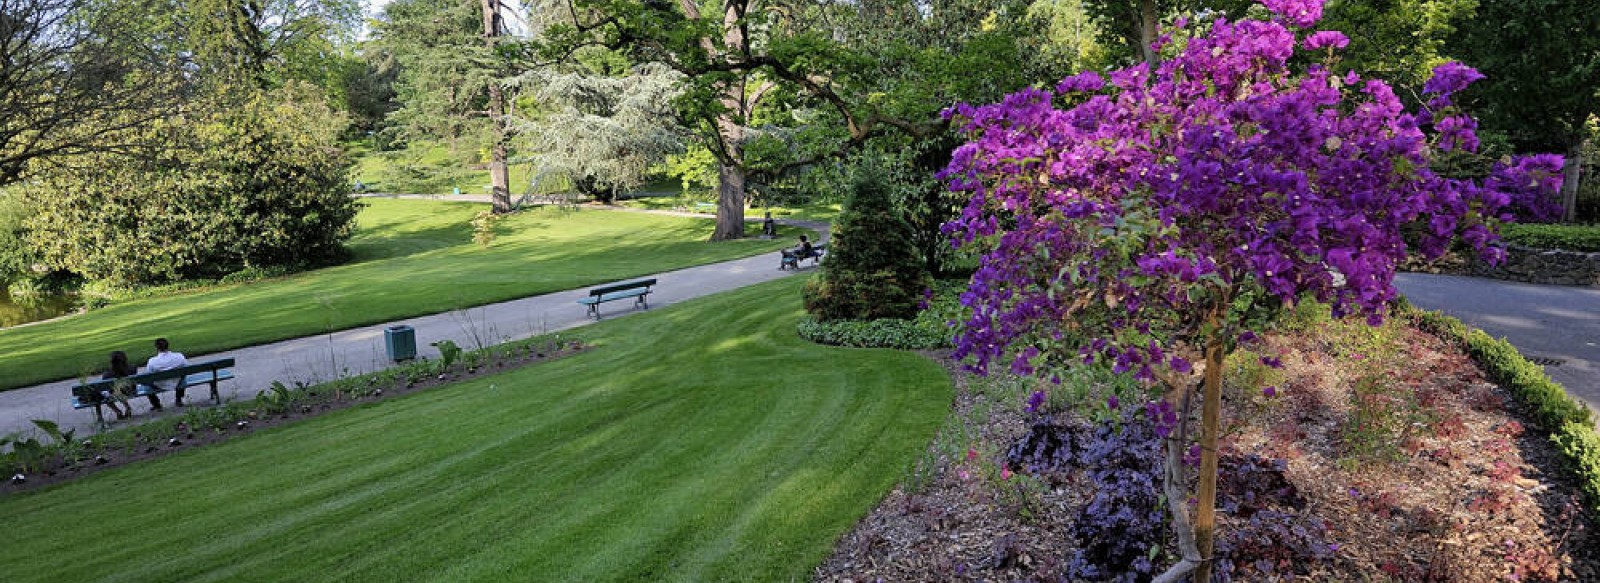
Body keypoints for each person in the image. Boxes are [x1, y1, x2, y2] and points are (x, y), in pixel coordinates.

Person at [146, 337, 188, 407]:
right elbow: (187, 368)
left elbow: (148, 376)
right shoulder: (179, 356)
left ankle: (156, 404)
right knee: (183, 378)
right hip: (177, 382)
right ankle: (179, 399)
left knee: (146, 386)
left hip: (159, 385)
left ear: (156, 348)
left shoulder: (152, 361)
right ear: (168, 346)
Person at [97, 351, 136, 419]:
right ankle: (127, 407)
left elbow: (106, 388)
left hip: (116, 393)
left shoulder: (107, 374)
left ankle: (118, 411)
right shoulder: (132, 368)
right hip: (131, 391)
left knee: (108, 394)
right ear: (125, 359)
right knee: (119, 390)